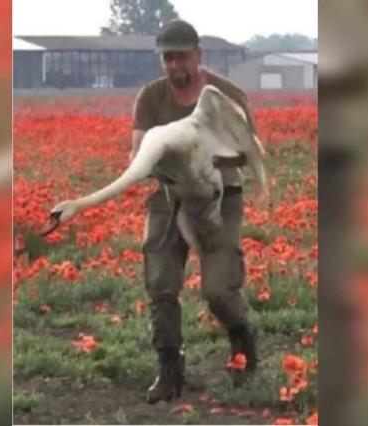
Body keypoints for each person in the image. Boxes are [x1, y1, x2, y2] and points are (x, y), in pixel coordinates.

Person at [130, 20, 268, 404]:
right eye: (167, 58)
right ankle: (169, 372)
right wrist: (160, 161)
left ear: (198, 54)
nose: (174, 66)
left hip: (219, 197)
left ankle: (242, 345)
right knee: (160, 283)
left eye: (181, 57)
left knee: (218, 289)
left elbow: (250, 150)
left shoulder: (227, 95)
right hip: (169, 195)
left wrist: (206, 155)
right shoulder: (151, 98)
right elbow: (139, 149)